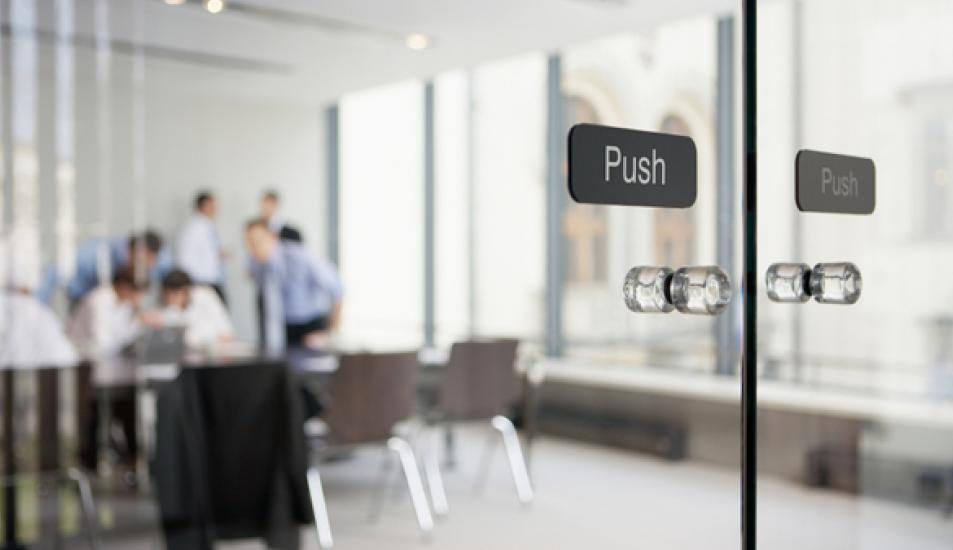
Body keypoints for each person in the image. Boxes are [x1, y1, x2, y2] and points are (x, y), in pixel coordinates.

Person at [67, 266, 159, 472]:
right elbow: (103, 345)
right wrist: (137, 323)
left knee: (128, 407)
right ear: (124, 288)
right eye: (138, 293)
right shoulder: (98, 302)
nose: (140, 299)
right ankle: (90, 463)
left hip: (113, 370)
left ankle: (133, 458)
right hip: (87, 367)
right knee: (96, 416)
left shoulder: (124, 305)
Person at [245, 219, 342, 352]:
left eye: (257, 242)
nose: (253, 249)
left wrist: (330, 334)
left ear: (272, 237)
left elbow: (338, 288)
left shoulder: (299, 256)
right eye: (249, 244)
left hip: (312, 326)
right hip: (286, 329)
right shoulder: (262, 266)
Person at [36, 229, 169, 308]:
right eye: (145, 261)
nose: (148, 268)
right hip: (82, 301)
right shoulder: (95, 255)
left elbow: (169, 273)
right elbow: (53, 273)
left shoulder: (155, 259)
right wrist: (37, 311)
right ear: (135, 252)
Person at [159, 269, 234, 350]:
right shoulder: (171, 309)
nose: (171, 300)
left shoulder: (205, 296)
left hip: (216, 352)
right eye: (167, 296)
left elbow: (226, 334)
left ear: (186, 290)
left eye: (174, 295)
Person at [177, 191, 227, 305]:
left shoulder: (209, 226)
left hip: (213, 282)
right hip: (201, 284)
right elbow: (185, 259)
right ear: (204, 205)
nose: (216, 209)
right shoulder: (192, 229)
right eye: (213, 206)